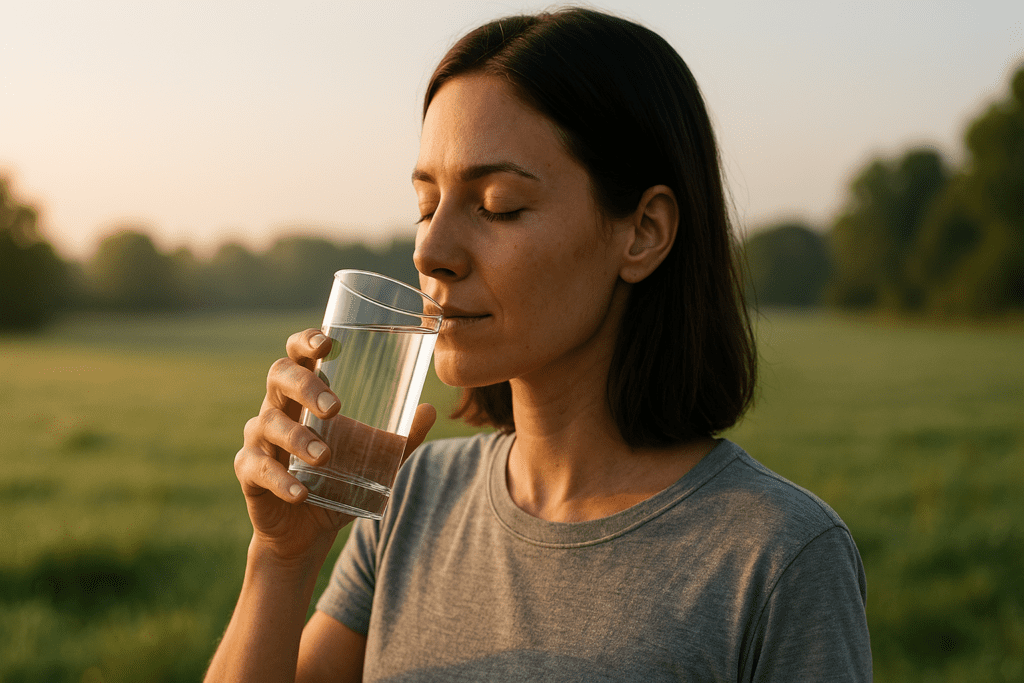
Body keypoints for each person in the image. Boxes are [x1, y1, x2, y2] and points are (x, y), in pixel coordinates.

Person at [205, 7, 872, 682]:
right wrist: (281, 559)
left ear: (643, 232)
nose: (431, 251)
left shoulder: (778, 553)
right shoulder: (409, 498)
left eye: (497, 205)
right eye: (426, 204)